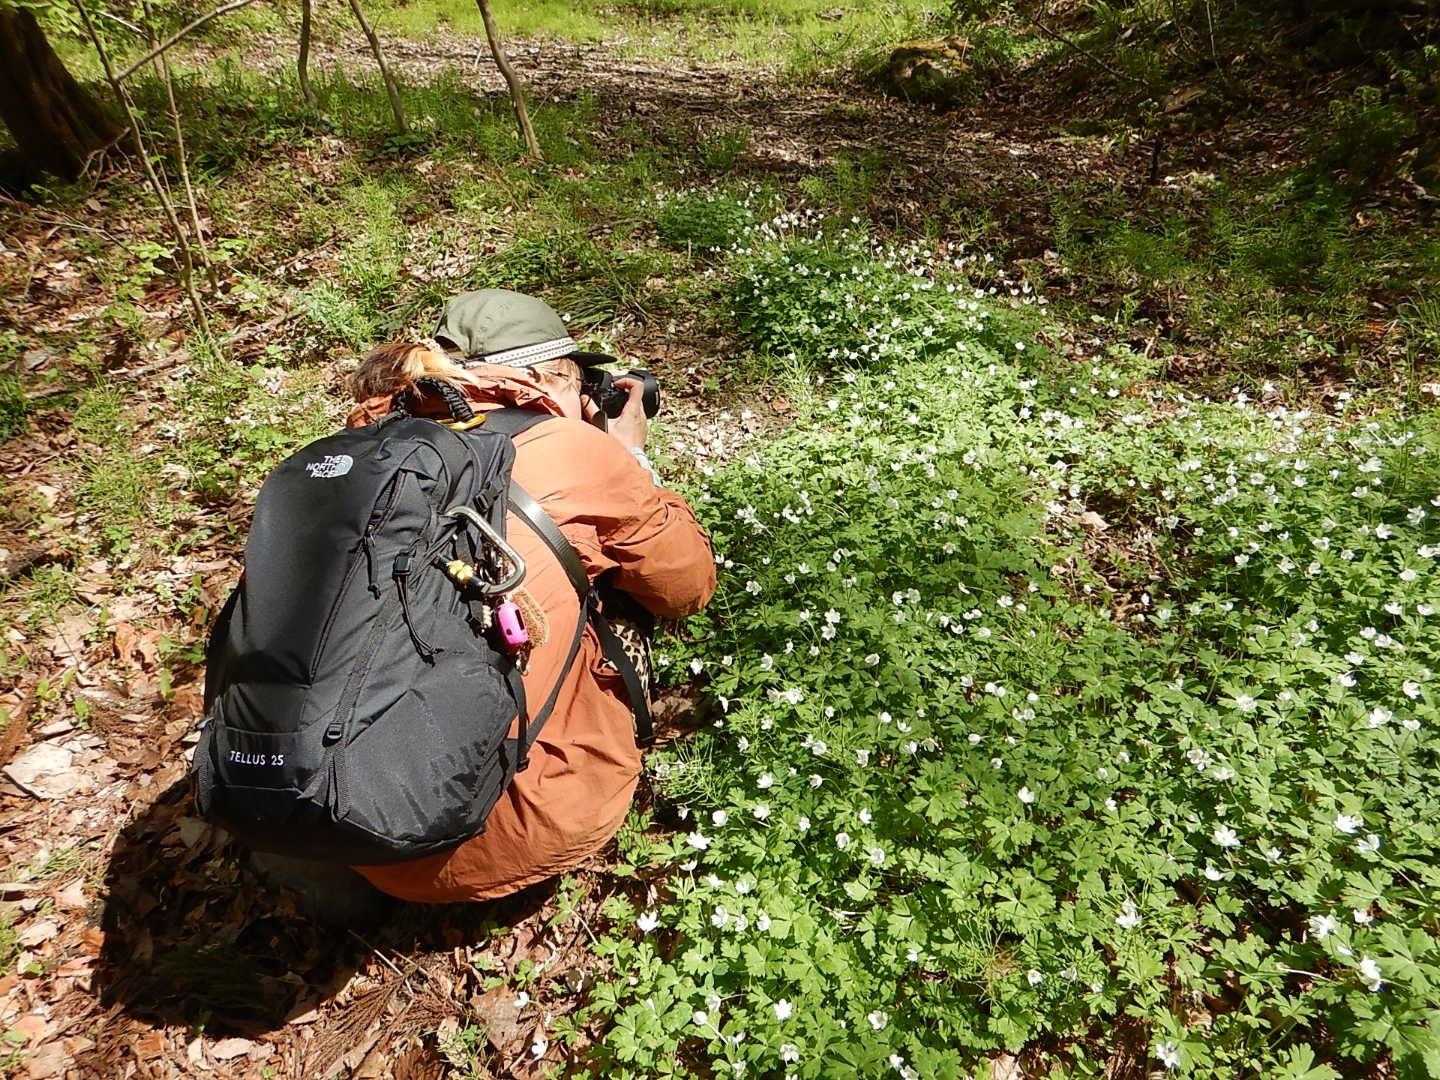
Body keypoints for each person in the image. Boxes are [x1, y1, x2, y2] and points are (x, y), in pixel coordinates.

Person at [343, 289, 716, 903]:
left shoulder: (353, 453)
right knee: (617, 580)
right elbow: (686, 586)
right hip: (510, 829)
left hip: (334, 817)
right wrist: (627, 456)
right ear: (544, 377)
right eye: (577, 379)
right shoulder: (571, 451)